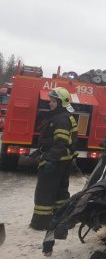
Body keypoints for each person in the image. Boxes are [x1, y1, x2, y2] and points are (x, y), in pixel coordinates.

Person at [30, 87, 78, 231]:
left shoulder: (61, 119)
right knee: (60, 192)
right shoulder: (65, 115)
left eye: (52, 101)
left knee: (45, 192)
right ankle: (61, 218)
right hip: (63, 161)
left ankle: (41, 223)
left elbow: (60, 143)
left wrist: (50, 159)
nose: (50, 103)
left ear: (59, 102)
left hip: (56, 161)